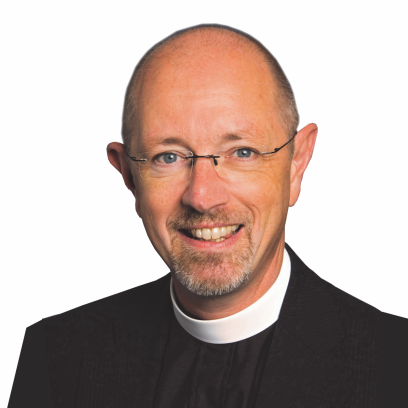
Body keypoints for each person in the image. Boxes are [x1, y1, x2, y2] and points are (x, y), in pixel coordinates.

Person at [8, 24, 408, 408]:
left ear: (296, 165)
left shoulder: (396, 367)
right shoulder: (55, 358)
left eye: (243, 152)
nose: (202, 197)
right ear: (128, 174)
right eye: (168, 157)